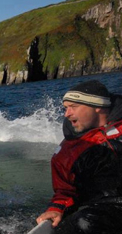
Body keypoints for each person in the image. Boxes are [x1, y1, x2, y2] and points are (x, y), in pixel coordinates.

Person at [36, 80, 122, 233]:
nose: (66, 114)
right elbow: (65, 191)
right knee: (82, 223)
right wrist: (57, 208)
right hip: (105, 209)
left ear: (97, 106)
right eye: (65, 108)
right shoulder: (67, 152)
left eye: (73, 107)